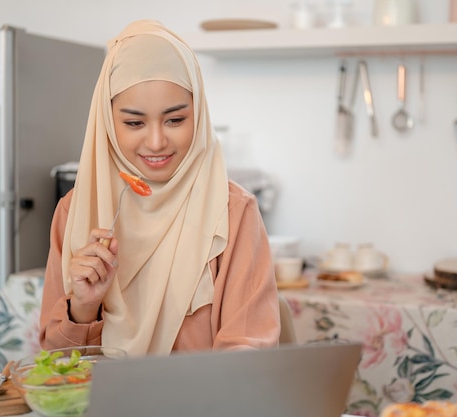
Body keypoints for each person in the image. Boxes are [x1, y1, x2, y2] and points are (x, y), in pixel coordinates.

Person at [38, 19, 280, 355]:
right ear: (107, 122)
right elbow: (55, 366)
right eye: (134, 122)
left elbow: (249, 352)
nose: (156, 142)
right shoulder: (76, 211)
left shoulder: (233, 212)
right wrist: (83, 306)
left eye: (176, 120)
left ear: (199, 115)